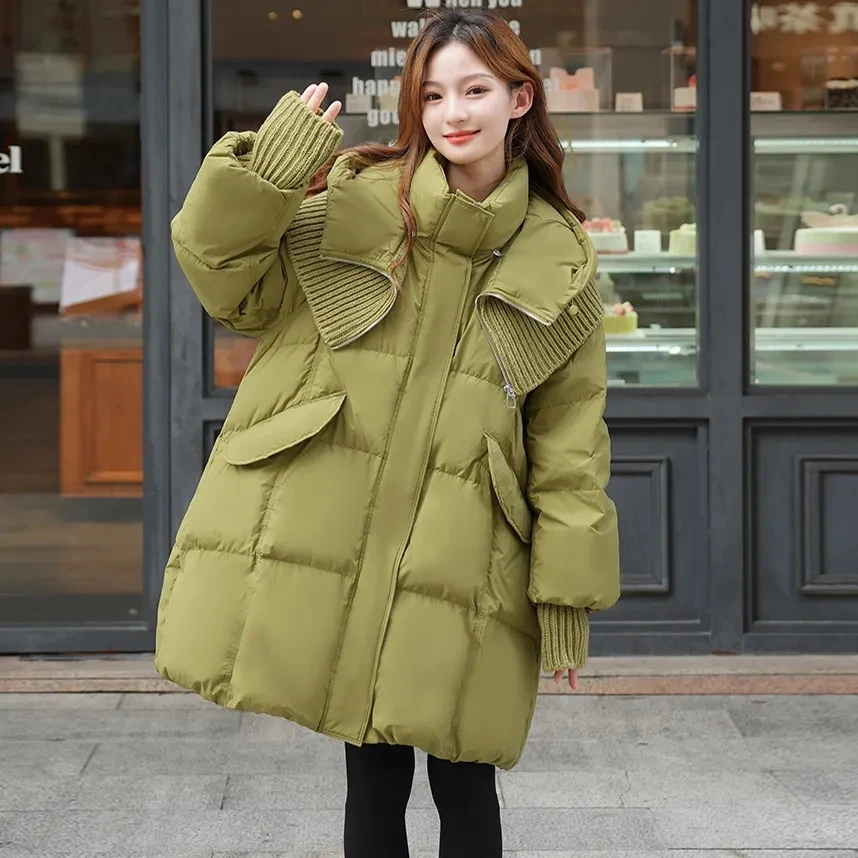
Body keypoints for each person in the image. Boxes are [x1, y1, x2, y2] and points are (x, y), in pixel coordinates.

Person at [154, 7, 620, 856]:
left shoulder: (562, 257)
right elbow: (229, 284)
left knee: (465, 774)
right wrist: (271, 175)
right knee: (371, 769)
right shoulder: (355, 203)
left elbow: (569, 445)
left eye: (476, 89)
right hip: (342, 526)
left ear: (520, 99)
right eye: (434, 94)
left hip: (466, 546)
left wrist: (566, 596)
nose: (454, 112)